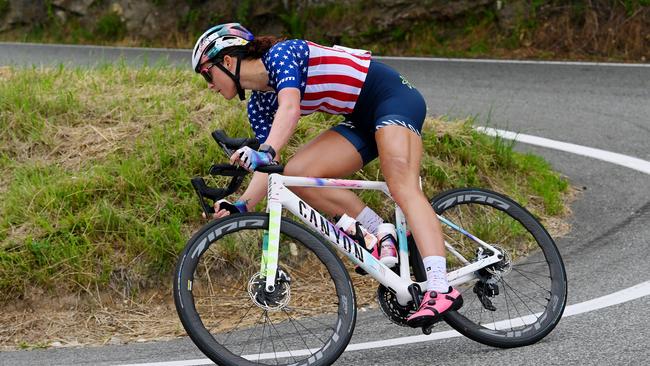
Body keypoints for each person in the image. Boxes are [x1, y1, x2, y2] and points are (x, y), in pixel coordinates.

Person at [191, 23, 462, 327]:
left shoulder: (281, 54)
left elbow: (290, 108)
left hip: (392, 97)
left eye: (206, 74)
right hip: (359, 119)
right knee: (296, 174)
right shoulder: (258, 104)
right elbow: (271, 164)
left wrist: (265, 150)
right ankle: (379, 231)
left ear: (227, 61)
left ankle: (441, 287)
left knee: (402, 184)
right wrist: (241, 205)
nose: (209, 85)